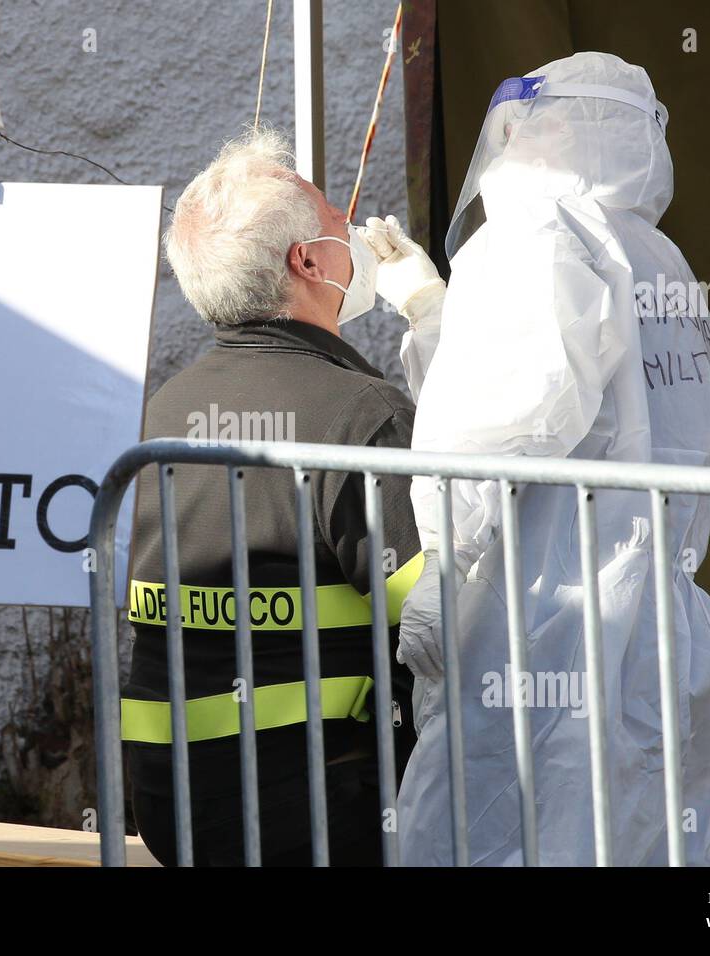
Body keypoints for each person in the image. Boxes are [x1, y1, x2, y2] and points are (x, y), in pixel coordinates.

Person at [395, 51, 710, 865]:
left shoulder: (536, 233)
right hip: (652, 613)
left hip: (541, 612)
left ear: (554, 129)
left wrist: (446, 562)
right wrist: (435, 314)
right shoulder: (658, 256)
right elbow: (591, 401)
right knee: (637, 832)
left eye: (528, 124)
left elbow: (502, 423)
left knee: (497, 832)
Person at [122, 127, 441, 865]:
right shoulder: (360, 415)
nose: (351, 229)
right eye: (336, 218)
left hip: (175, 806)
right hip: (328, 809)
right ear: (307, 261)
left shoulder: (163, 412)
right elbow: (439, 621)